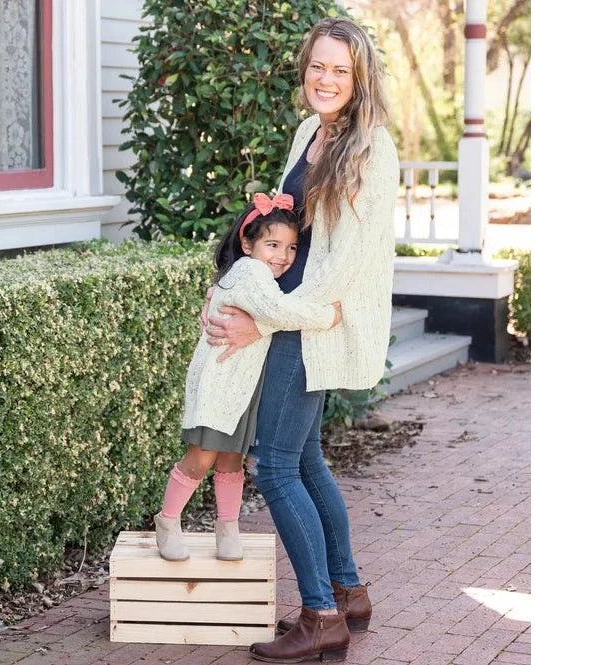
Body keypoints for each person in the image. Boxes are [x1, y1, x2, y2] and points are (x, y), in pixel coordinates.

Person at [202, 17, 400, 663]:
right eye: (318, 65)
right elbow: (279, 232)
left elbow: (344, 265)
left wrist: (265, 321)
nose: (326, 78)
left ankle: (320, 615)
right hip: (291, 313)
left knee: (277, 466)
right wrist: (230, 288)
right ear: (304, 68)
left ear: (359, 78)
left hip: (313, 324)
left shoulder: (372, 149)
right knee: (307, 459)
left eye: (340, 69)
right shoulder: (308, 132)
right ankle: (347, 593)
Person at [154, 192, 342, 563]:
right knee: (201, 459)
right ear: (247, 244)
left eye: (291, 248)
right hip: (219, 385)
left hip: (240, 389)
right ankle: (168, 520)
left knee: (231, 460)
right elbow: (278, 312)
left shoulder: (254, 275)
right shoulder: (252, 273)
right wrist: (330, 317)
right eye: (272, 245)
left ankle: (227, 529)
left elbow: (267, 314)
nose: (283, 256)